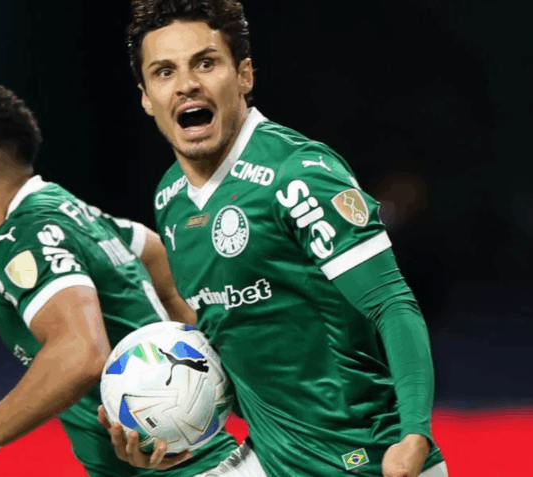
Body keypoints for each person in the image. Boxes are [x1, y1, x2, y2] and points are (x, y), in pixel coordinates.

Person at [99, 1, 448, 476]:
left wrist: (414, 435)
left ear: (244, 75)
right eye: (164, 72)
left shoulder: (298, 174)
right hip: (270, 458)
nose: (186, 85)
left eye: (206, 63)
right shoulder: (171, 198)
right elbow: (232, 341)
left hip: (364, 459)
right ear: (145, 97)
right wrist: (171, 430)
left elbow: (392, 304)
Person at [0, 85, 266, 477]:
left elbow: (81, 354)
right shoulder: (70, 212)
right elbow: (159, 260)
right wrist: (198, 389)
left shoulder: (20, 236)